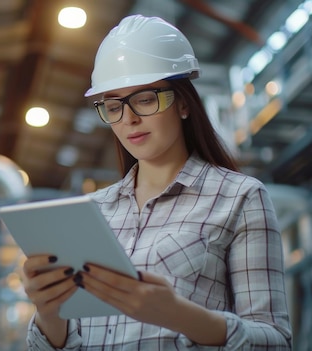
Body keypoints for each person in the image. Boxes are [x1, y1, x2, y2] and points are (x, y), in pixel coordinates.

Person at [21, 15, 292, 350]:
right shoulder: (92, 212)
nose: (129, 118)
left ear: (182, 102)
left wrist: (179, 315)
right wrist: (50, 314)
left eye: (145, 98)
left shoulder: (239, 198)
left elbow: (275, 341)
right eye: (113, 105)